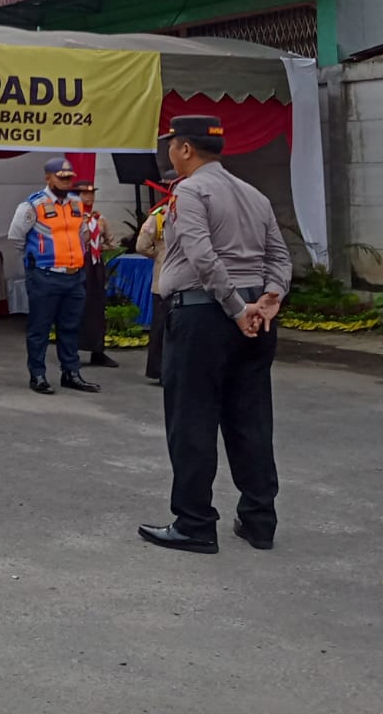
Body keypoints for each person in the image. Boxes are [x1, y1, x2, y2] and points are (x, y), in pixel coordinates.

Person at [139, 116, 292, 555]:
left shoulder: (189, 191)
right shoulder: (253, 194)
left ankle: (195, 523)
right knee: (251, 420)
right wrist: (267, 300)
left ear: (185, 149)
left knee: (192, 423)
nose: (169, 151)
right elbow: (279, 256)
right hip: (254, 320)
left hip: (204, 318)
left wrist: (235, 307)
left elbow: (202, 255)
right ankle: (259, 520)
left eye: (171, 144)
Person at [7, 158, 102, 395]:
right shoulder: (32, 205)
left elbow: (82, 234)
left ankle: (71, 373)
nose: (67, 181)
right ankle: (37, 374)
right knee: (39, 328)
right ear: (47, 177)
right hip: (45, 275)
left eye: (69, 177)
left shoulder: (77, 204)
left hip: (73, 276)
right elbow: (16, 238)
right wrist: (36, 261)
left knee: (70, 327)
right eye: (61, 177)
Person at [136, 170, 178, 383]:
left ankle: (167, 370)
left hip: (173, 279)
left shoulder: (172, 212)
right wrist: (160, 255)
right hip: (165, 281)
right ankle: (160, 371)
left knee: (169, 327)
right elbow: (142, 245)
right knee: (162, 327)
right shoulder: (159, 215)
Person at [75, 180, 119, 369]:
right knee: (77, 306)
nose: (89, 197)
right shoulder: (74, 217)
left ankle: (98, 351)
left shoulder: (99, 218)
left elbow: (112, 242)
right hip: (78, 263)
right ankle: (73, 352)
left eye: (92, 194)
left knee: (97, 305)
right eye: (85, 194)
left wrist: (101, 247)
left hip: (96, 264)